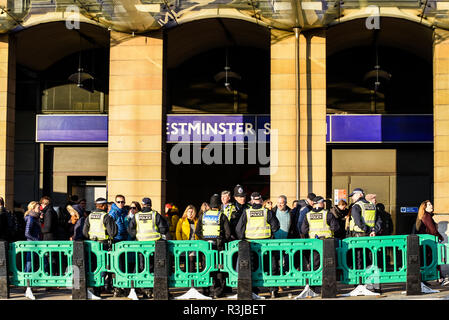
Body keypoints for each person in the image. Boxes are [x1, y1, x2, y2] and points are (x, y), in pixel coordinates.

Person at [235, 192, 280, 298]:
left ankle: (254, 291)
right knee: (270, 267)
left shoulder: (247, 212)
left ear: (251, 201)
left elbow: (239, 229)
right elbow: (276, 227)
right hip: (267, 245)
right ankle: (272, 290)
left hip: (251, 245)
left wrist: (242, 239)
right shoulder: (266, 212)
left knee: (253, 268)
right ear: (260, 200)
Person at [127, 197, 169, 299]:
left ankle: (145, 290)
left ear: (142, 205)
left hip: (141, 246)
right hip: (154, 246)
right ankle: (151, 289)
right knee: (154, 267)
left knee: (143, 267)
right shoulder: (155, 214)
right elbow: (164, 228)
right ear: (150, 204)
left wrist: (136, 236)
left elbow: (130, 229)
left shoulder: (137, 216)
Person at [195, 194, 231, 298]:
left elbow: (197, 232)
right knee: (218, 268)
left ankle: (206, 290)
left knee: (206, 267)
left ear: (210, 206)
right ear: (219, 206)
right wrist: (222, 240)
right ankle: (218, 291)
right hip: (218, 247)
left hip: (206, 247)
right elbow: (228, 233)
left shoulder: (203, 216)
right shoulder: (221, 216)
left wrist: (204, 240)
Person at [82, 197, 118, 297]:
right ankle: (101, 287)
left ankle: (96, 289)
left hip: (92, 245)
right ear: (102, 206)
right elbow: (113, 233)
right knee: (104, 266)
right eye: (106, 205)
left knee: (94, 266)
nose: (107, 207)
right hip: (103, 245)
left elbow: (84, 232)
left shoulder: (90, 216)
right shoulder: (106, 216)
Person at [271, 195, 295, 294]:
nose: (280, 205)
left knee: (287, 263)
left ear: (286, 203)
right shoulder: (272, 212)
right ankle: (278, 285)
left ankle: (284, 279)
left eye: (282, 203)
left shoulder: (291, 212)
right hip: (275, 242)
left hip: (287, 242)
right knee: (275, 265)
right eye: (279, 203)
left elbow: (293, 226)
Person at [176, 205, 199, 276]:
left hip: (194, 243)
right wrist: (180, 242)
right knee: (186, 260)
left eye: (192, 212)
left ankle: (191, 276)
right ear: (186, 212)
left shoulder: (196, 221)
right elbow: (178, 232)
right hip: (185, 243)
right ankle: (186, 276)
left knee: (192, 260)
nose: (190, 213)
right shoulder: (181, 220)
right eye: (189, 211)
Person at [24, 201, 42, 273]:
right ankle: (25, 278)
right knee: (30, 262)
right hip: (32, 244)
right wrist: (36, 240)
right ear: (33, 209)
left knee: (32, 262)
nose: (40, 209)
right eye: (38, 208)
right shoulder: (31, 218)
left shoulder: (35, 218)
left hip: (34, 243)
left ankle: (27, 278)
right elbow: (27, 233)